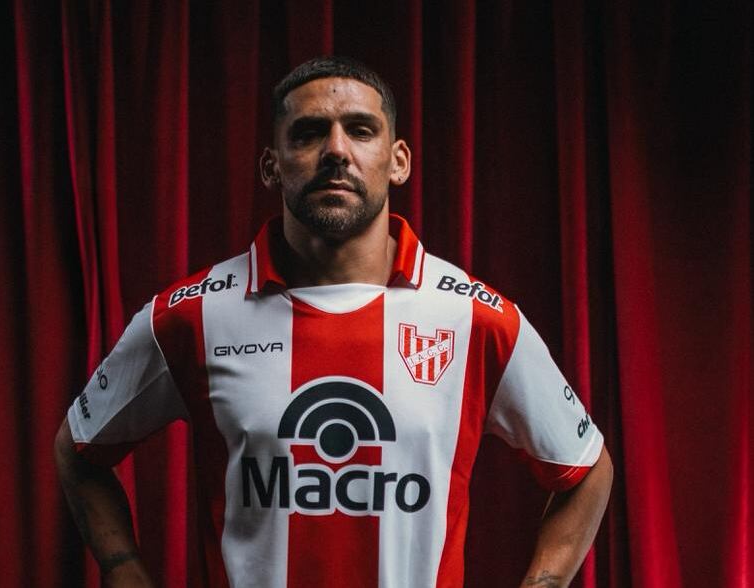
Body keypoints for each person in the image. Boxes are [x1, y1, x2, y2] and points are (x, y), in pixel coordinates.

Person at [54, 56, 613, 588]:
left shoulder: (475, 318)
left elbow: (586, 467)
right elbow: (78, 448)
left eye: (361, 130)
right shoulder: (192, 315)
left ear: (399, 161)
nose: (336, 151)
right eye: (308, 133)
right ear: (271, 166)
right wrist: (123, 570)